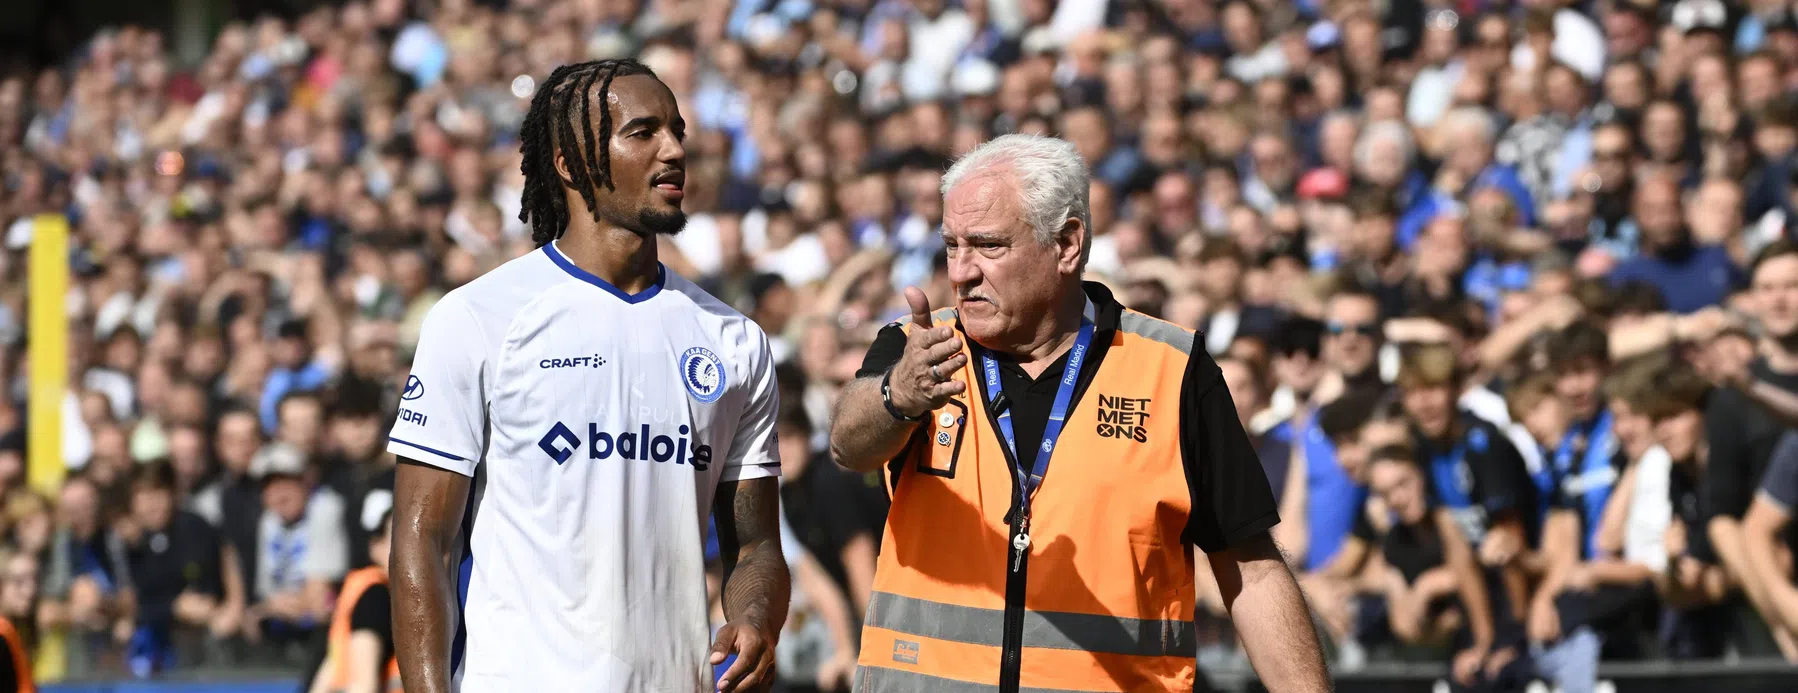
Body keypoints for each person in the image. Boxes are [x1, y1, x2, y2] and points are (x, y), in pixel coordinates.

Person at [827, 134, 1329, 693]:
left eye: (988, 246)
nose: (962, 271)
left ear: (1067, 244)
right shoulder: (918, 346)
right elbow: (850, 445)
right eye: (952, 245)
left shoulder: (1171, 369)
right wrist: (899, 395)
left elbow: (1253, 571)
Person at [388, 59, 789, 693]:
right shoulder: (479, 318)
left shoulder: (733, 340)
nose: (675, 150)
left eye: (677, 131)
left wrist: (755, 621)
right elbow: (423, 543)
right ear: (570, 163)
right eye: (643, 132)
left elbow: (756, 544)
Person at [307, 510, 400, 693]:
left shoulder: (360, 591)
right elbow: (363, 683)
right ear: (375, 547)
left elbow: (330, 669)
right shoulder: (375, 597)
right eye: (398, 538)